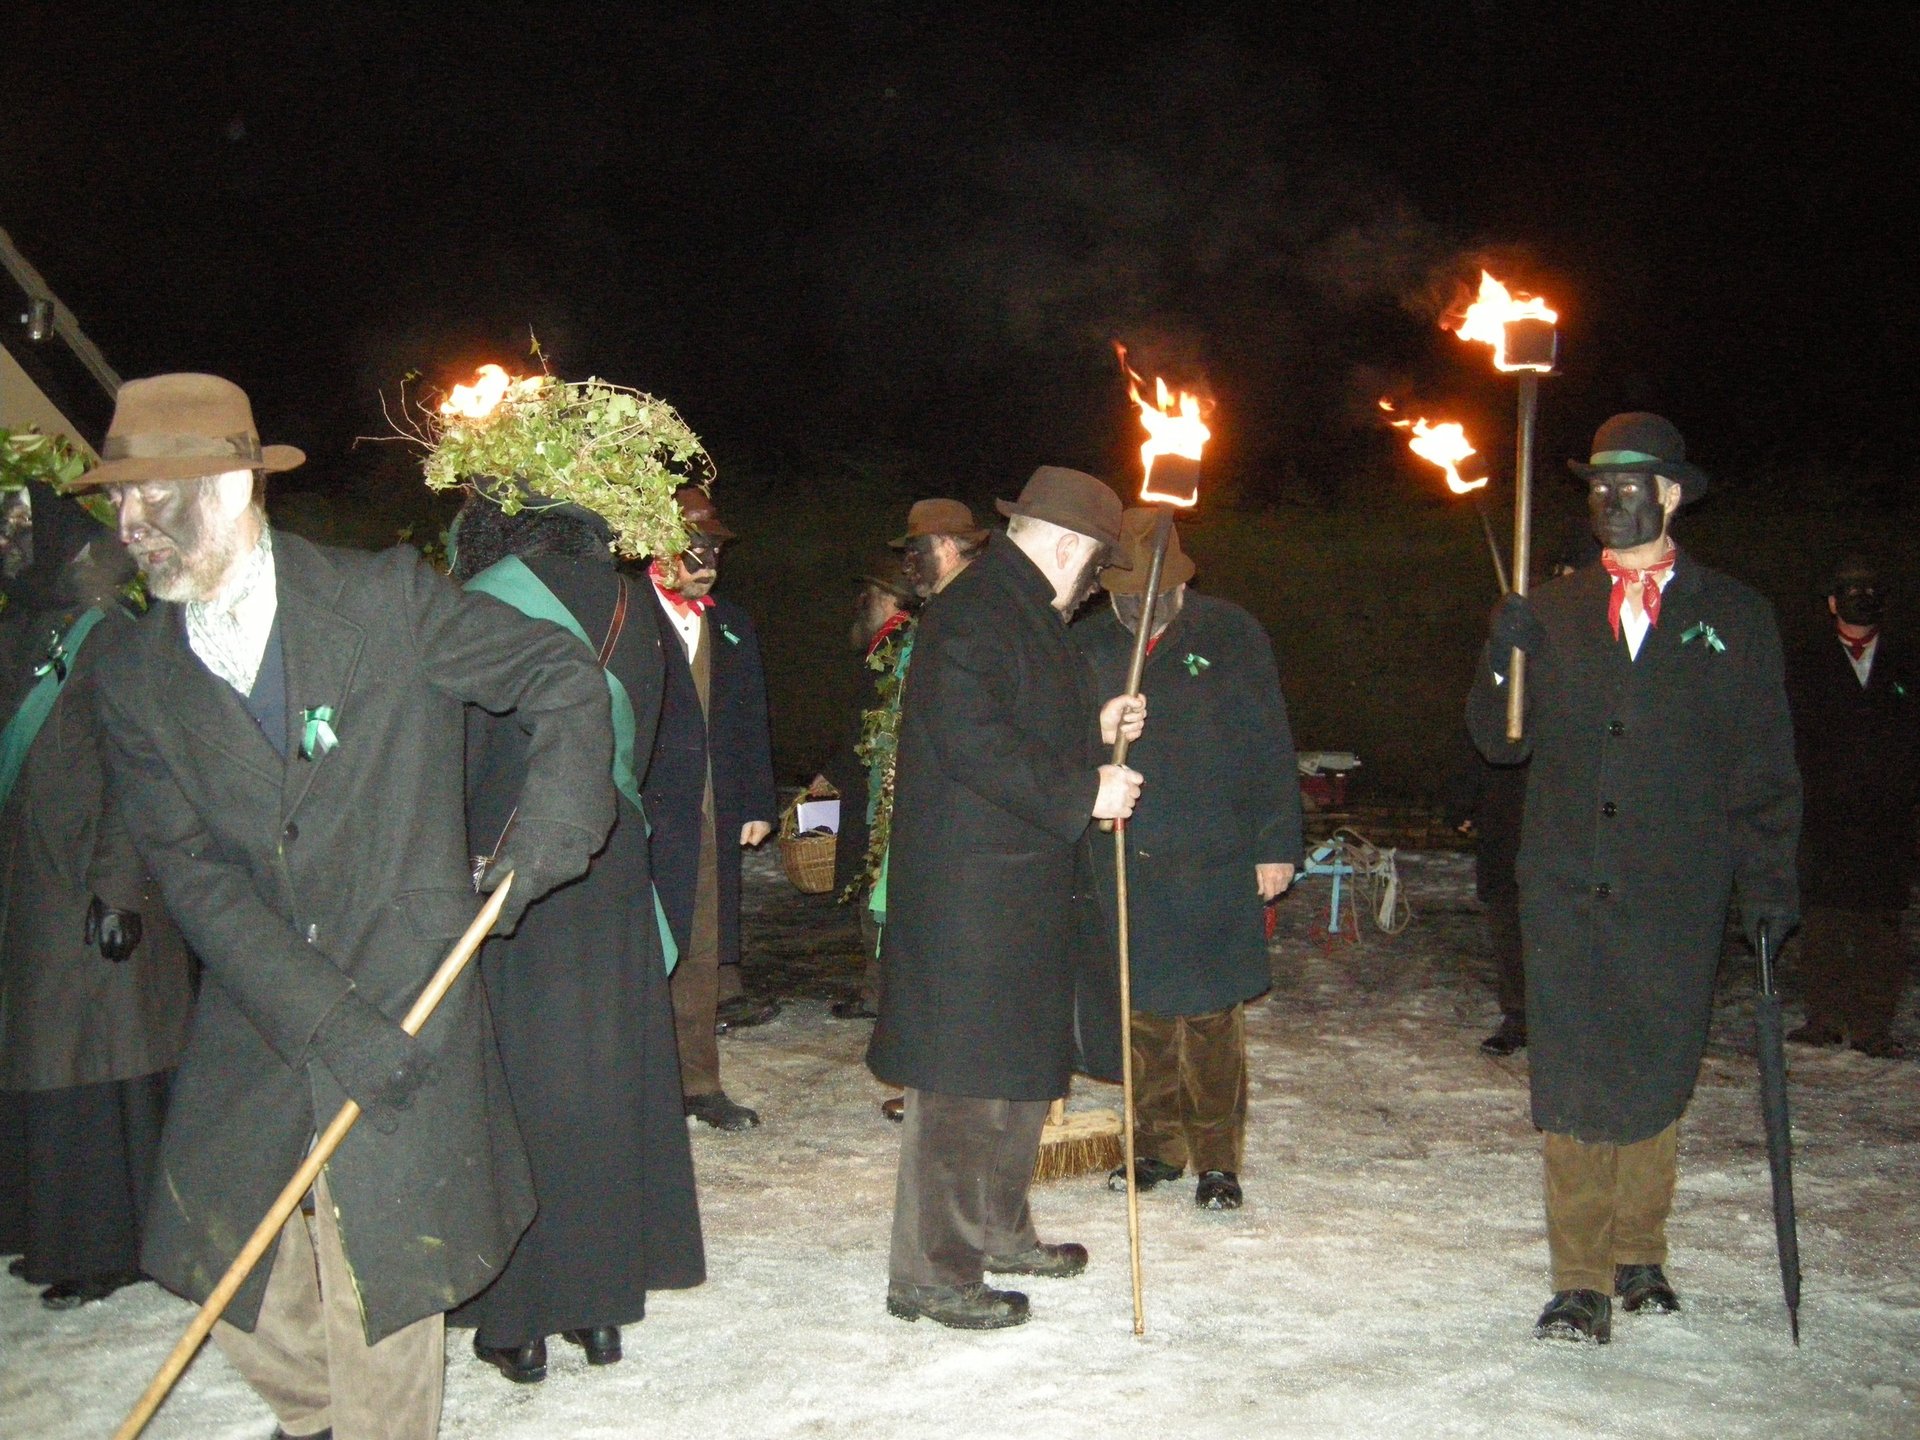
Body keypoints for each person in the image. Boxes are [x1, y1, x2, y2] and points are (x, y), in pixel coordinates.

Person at [83, 373, 614, 1440]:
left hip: (410, 980)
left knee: (384, 1273)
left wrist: (550, 832)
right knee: (224, 1262)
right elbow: (193, 872)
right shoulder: (133, 673)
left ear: (231, 486)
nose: (128, 522)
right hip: (266, 1000)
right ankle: (321, 1417)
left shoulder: (383, 601)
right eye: (119, 496)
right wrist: (325, 1020)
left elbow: (560, 676)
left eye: (151, 495)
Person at [1467, 412, 1799, 1345]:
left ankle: (1639, 1251)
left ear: (1670, 494)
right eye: (1596, 488)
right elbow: (1500, 742)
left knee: (1656, 1065)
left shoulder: (1736, 615)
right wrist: (1502, 656)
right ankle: (1580, 1280)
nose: (1608, 502)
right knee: (1573, 1076)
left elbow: (1764, 761)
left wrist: (1770, 882)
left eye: (1627, 486)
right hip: (1566, 882)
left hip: (1675, 886)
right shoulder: (1552, 608)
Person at [867, 465, 1145, 1330]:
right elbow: (972, 740)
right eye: (1095, 566)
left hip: (1021, 888)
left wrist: (1094, 729)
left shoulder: (1021, 612)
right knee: (962, 1085)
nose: (1094, 586)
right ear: (1068, 548)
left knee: (1020, 1074)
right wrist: (1083, 792)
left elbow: (1020, 720)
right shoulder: (975, 611)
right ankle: (932, 1272)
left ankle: (998, 1230)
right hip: (971, 896)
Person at [446, 478, 705, 1383]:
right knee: (603, 1081)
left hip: (511, 873)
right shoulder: (636, 602)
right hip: (611, 859)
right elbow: (650, 744)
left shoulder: (480, 602)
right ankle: (598, 1308)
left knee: (516, 1089)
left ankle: (516, 1319)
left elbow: (460, 751)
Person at [1075, 509, 1302, 1211]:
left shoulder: (1231, 633)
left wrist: (1275, 844)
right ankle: (1155, 1147)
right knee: (1140, 1008)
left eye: (1148, 594)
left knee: (1210, 1015)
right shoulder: (1085, 643)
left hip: (1215, 849)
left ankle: (1217, 1160)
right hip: (1124, 850)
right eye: (1125, 596)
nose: (1137, 610)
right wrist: (1097, 730)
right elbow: (1054, 743)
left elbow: (1268, 741)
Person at [0, 480, 192, 1310]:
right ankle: (57, 1231)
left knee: (98, 1062)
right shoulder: (24, 632)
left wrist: (118, 889)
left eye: (20, 532)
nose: (9, 549)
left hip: (94, 887)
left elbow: (139, 772)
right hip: (35, 886)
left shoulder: (112, 638)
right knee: (51, 1058)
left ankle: (107, 1246)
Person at [643, 485, 778, 1131]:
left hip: (709, 809)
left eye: (715, 551)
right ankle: (642, 1086)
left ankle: (698, 1083)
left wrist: (755, 800)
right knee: (643, 948)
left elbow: (750, 715)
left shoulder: (732, 623)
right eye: (694, 549)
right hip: (645, 810)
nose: (708, 563)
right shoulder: (626, 612)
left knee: (700, 949)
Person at [1785, 556, 1918, 1059]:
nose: (1862, 600)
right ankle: (1823, 1018)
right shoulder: (1805, 662)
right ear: (1831, 603)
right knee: (1822, 920)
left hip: (1887, 818)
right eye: (1851, 591)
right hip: (1823, 813)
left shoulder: (1906, 662)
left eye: (1871, 592)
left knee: (1879, 925)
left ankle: (1872, 1026)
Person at [815, 553, 916, 1021]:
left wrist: (833, 773)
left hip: (882, 793)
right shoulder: (888, 645)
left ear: (892, 598)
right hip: (873, 787)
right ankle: (879, 992)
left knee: (876, 884)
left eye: (871, 593)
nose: (862, 602)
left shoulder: (896, 648)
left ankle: (882, 995)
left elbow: (869, 728)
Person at [1444, 738, 1530, 1055]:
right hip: (1505, 826)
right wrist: (1462, 804)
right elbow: (1480, 744)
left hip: (1557, 826)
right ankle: (1519, 1018)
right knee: (1508, 923)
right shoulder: (1503, 707)